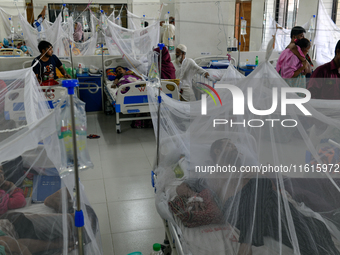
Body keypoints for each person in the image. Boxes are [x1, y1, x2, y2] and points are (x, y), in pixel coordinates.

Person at [175, 138, 340, 255]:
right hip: (237, 209)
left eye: (234, 145)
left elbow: (271, 189)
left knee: (313, 227)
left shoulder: (246, 169)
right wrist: (194, 196)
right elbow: (181, 187)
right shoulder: (210, 174)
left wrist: (262, 174)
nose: (234, 147)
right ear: (217, 151)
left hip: (265, 207)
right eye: (229, 145)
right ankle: (245, 244)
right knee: (258, 184)